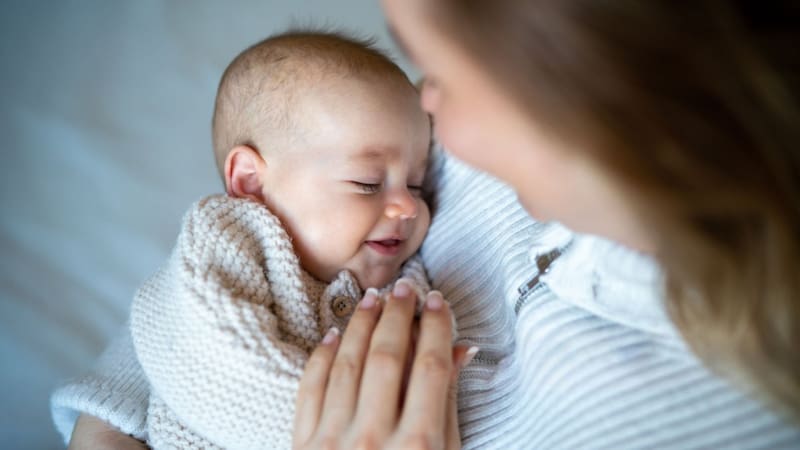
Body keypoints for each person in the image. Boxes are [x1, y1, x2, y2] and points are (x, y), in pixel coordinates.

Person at [54, 1, 800, 449]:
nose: (426, 104)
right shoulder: (428, 155)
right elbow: (198, 299)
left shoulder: (724, 411)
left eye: (433, 69)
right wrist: (108, 417)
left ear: (574, 88)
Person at [52, 30, 466, 449]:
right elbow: (214, 361)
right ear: (251, 183)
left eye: (415, 184)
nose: (408, 208)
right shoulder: (227, 247)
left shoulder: (410, 283)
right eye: (367, 183)